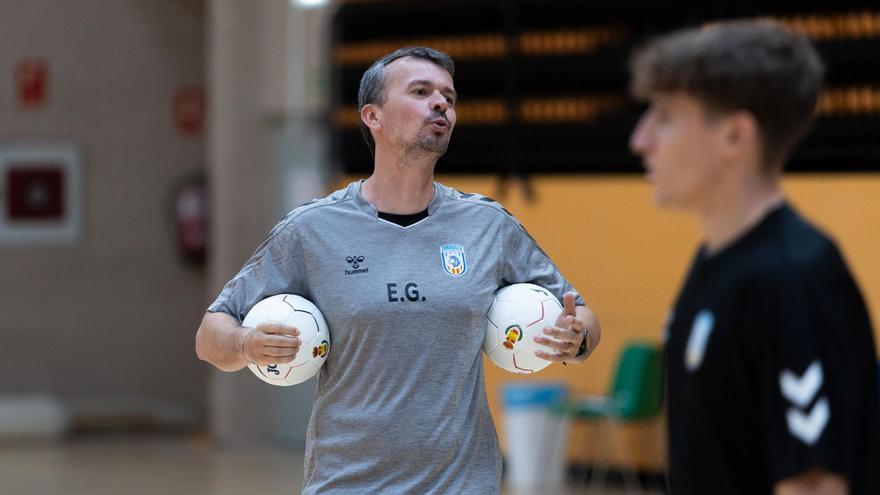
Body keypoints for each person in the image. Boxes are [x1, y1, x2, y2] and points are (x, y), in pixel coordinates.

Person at [195, 46, 600, 494]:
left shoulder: (488, 226)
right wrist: (245, 343)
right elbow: (210, 335)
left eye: (449, 95)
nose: (441, 103)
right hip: (347, 485)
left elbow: (583, 318)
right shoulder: (312, 230)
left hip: (462, 485)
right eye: (422, 92)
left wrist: (575, 337)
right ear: (373, 116)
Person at [628, 21, 880, 494]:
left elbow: (816, 484)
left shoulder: (795, 278)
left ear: (734, 136)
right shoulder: (714, 261)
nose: (640, 140)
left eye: (664, 117)